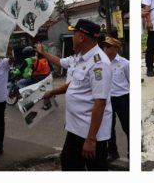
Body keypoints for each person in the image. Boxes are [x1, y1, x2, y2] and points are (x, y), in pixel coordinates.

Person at [37, 19, 112, 171]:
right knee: (69, 164)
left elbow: (100, 103)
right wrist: (53, 92)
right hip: (76, 129)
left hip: (91, 134)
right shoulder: (80, 58)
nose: (72, 37)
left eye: (74, 34)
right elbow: (73, 81)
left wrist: (91, 140)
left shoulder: (99, 63)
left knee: (96, 170)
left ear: (81, 37)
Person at [101, 36, 129, 163]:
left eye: (108, 46)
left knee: (128, 126)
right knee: (108, 127)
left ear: (116, 48)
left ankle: (131, 152)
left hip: (123, 98)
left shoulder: (125, 63)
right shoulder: (101, 63)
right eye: (104, 46)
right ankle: (112, 152)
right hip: (107, 99)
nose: (105, 48)